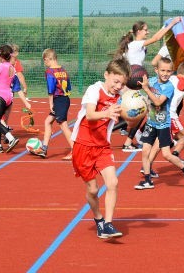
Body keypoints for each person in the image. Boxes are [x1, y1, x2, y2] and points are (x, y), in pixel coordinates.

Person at [70, 58, 131, 238]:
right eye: (116, 81)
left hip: (102, 146)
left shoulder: (119, 96)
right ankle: (98, 219)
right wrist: (107, 112)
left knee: (113, 182)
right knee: (93, 190)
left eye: (122, 83)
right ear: (106, 75)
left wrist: (135, 113)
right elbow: (89, 115)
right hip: (83, 145)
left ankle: (109, 224)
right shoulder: (94, 90)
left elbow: (129, 106)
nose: (118, 86)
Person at [118, 18, 181, 152]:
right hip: (133, 82)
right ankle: (128, 140)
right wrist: (171, 24)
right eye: (146, 30)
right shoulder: (135, 44)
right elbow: (157, 38)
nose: (148, 32)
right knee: (139, 111)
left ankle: (132, 139)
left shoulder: (135, 46)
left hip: (134, 82)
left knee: (141, 111)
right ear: (139, 31)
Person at [134, 57, 184, 190]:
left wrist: (146, 89)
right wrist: (134, 82)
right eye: (162, 70)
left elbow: (157, 102)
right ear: (156, 70)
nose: (165, 73)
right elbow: (139, 85)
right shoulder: (151, 81)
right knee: (145, 151)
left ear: (172, 72)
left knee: (166, 154)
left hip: (163, 125)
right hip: (151, 123)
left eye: (168, 71)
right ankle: (147, 181)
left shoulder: (169, 87)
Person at [31, 49, 74, 160]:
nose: (45, 63)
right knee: (48, 122)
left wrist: (51, 103)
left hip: (58, 100)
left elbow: (51, 89)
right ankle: (44, 148)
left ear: (48, 59)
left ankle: (75, 149)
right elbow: (69, 86)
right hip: (65, 98)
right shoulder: (63, 70)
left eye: (45, 60)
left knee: (63, 125)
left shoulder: (50, 72)